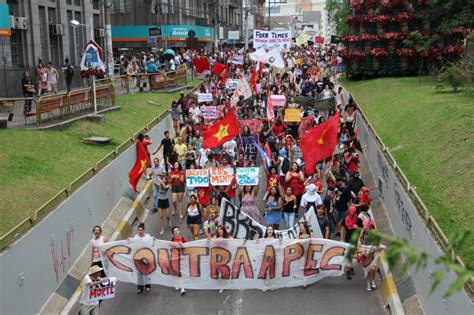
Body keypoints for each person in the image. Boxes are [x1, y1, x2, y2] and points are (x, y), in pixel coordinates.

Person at [130, 223, 153, 293]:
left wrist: (153, 239)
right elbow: (133, 244)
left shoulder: (148, 236)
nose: (139, 231)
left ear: (144, 230)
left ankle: (147, 286)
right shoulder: (136, 237)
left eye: (141, 230)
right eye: (138, 230)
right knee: (139, 273)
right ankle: (140, 287)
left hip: (146, 256)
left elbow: (151, 244)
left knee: (145, 272)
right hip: (138, 257)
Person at [341, 206, 358, 280]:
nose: (352, 214)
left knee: (353, 255)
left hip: (355, 240)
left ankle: (351, 268)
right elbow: (342, 229)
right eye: (351, 212)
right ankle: (348, 271)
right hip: (348, 239)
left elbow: (362, 229)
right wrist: (341, 239)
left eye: (353, 212)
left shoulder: (358, 220)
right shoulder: (345, 219)